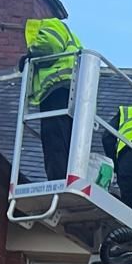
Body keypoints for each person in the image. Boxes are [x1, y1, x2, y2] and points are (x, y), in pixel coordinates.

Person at [18, 18, 82, 181]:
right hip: (72, 92)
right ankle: (65, 176)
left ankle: (57, 179)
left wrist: (30, 56)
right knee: (67, 139)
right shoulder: (71, 36)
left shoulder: (51, 24)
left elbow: (49, 45)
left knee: (54, 136)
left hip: (57, 87)